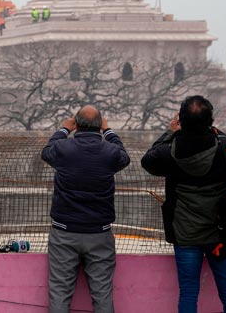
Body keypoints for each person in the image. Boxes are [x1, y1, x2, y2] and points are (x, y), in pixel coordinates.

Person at [141, 96, 226, 313]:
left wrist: (170, 132)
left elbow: (148, 161)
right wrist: (212, 130)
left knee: (188, 291)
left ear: (182, 120)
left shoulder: (169, 151)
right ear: (210, 120)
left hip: (185, 234)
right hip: (220, 234)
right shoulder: (225, 147)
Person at [41, 106, 130, 313]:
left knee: (60, 293)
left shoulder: (64, 149)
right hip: (99, 233)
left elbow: (47, 152)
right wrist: (108, 131)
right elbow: (123, 156)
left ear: (76, 125)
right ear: (100, 125)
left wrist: (63, 128)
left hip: (64, 231)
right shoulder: (110, 152)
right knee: (102, 294)